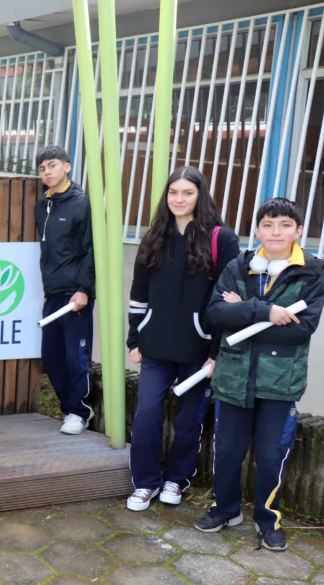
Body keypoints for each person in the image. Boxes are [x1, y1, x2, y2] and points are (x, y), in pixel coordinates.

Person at [198, 197, 324, 551]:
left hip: (279, 383)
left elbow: (301, 330)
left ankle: (268, 520)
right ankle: (224, 510)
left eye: (285, 225)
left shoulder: (313, 272)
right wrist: (265, 310)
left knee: (272, 455)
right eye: (267, 224)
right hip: (233, 378)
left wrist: (242, 312)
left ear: (299, 231)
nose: (275, 232)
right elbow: (216, 314)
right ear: (257, 230)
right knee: (226, 451)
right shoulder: (239, 266)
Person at [124, 167, 240, 512]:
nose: (179, 199)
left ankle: (175, 479)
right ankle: (145, 483)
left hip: (198, 351)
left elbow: (227, 300)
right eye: (173, 192)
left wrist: (216, 351)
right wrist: (134, 337)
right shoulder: (153, 236)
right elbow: (138, 294)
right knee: (146, 416)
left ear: (200, 195)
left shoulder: (222, 239)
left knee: (190, 421)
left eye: (187, 192)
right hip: (155, 347)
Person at [34, 145, 96, 436]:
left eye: (52, 166)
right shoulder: (43, 205)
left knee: (75, 356)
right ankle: (69, 407)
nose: (47, 172)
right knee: (51, 356)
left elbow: (89, 250)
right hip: (53, 293)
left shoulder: (81, 203)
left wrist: (84, 289)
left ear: (67, 167)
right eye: (43, 168)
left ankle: (80, 411)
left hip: (76, 295)